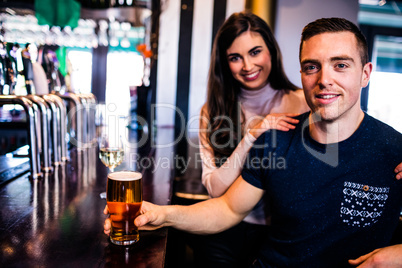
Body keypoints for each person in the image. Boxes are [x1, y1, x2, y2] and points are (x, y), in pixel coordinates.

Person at [105, 17, 402, 267]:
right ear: (302, 74)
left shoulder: (393, 150)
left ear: (365, 74)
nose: (324, 79)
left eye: (340, 65)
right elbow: (227, 208)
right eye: (312, 67)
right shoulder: (272, 136)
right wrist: (162, 214)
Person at [195, 11, 309, 267]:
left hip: (283, 235)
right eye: (235, 58)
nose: (247, 66)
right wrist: (250, 137)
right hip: (226, 230)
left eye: (255, 52)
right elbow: (215, 188)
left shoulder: (303, 103)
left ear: (271, 50)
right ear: (225, 63)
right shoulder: (212, 111)